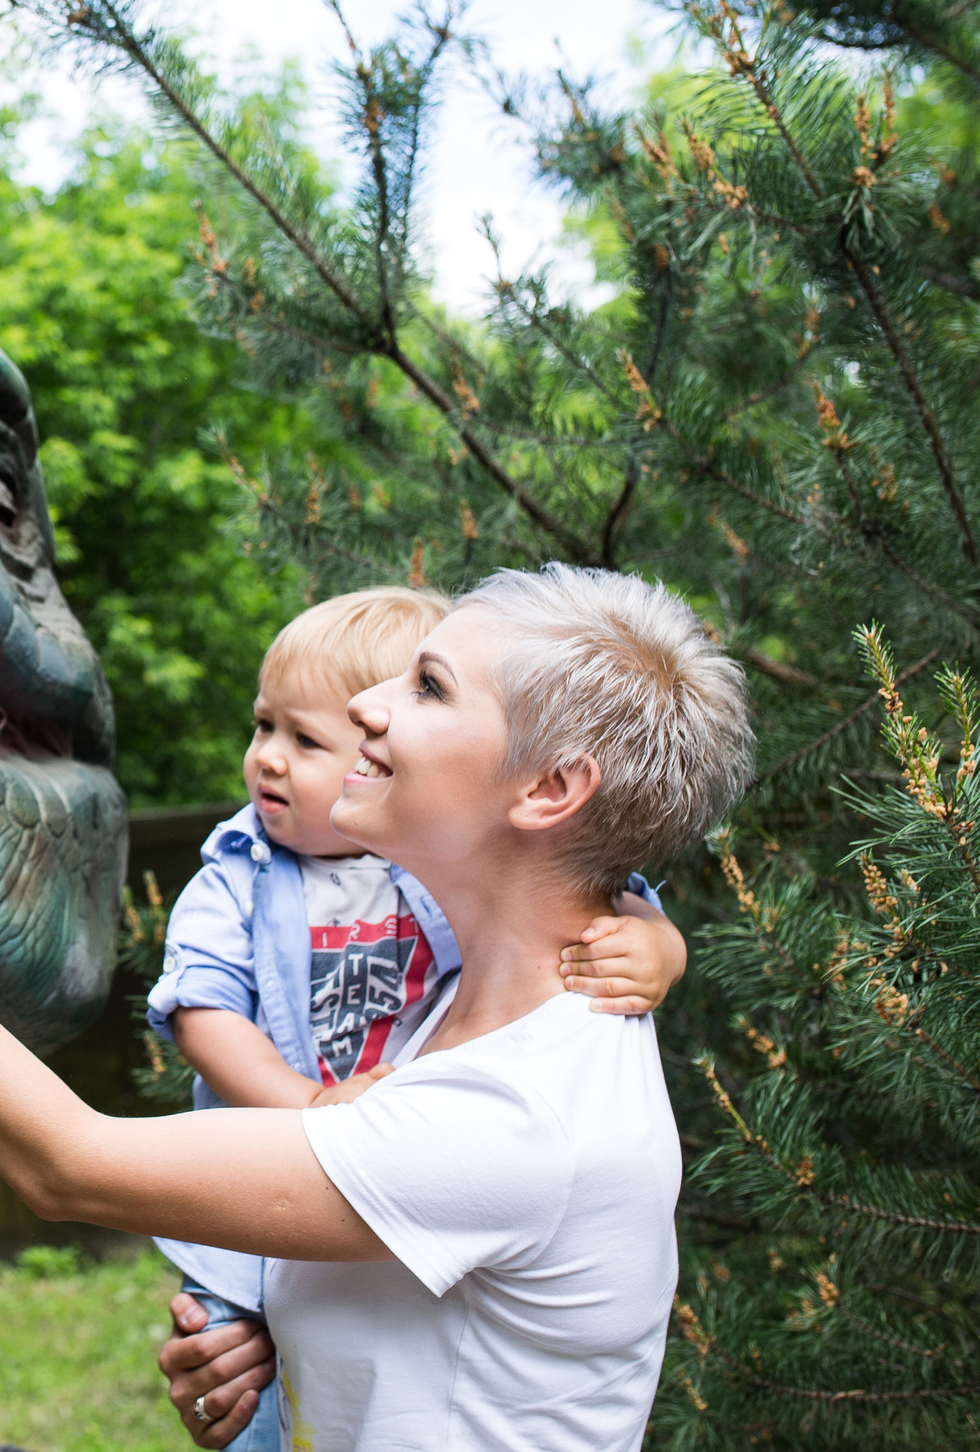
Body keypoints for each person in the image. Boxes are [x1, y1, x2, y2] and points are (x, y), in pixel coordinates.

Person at [0, 565, 751, 1451]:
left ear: (549, 790)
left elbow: (63, 1164)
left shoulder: (515, 1113)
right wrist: (263, 1333)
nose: (374, 710)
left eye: (428, 686)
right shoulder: (489, 996)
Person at [147, 588, 690, 1447]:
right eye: (263, 727)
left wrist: (659, 947)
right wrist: (305, 1112)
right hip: (269, 1160)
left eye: (308, 738)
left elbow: (600, 889)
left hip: (370, 1166)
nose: (270, 760)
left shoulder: (456, 911)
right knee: (231, 1357)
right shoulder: (239, 870)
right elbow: (201, 1008)